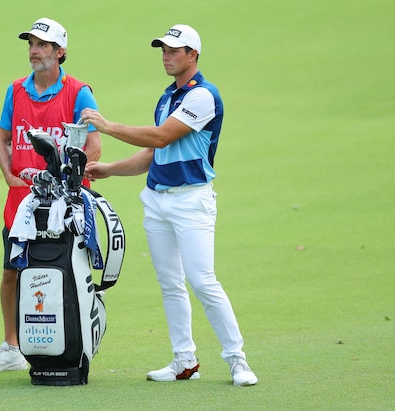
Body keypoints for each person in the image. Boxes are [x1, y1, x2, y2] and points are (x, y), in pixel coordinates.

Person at [80, 24, 257, 386]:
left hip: (192, 200)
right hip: (157, 200)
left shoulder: (203, 96)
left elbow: (162, 135)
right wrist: (111, 169)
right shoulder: (167, 99)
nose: (166, 55)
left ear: (193, 55)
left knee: (202, 280)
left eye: (174, 50)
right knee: (170, 283)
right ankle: (184, 360)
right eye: (163, 49)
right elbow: (154, 153)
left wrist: (107, 126)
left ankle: (237, 360)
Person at [0, 17, 102, 372]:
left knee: (70, 272)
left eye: (43, 44)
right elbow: (2, 138)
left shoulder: (79, 92)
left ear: (60, 52)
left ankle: (74, 342)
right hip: (21, 203)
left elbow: (93, 146)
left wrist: (70, 181)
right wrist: (8, 174)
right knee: (11, 272)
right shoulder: (15, 90)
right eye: (31, 43)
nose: (34, 50)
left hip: (64, 205)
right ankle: (12, 347)